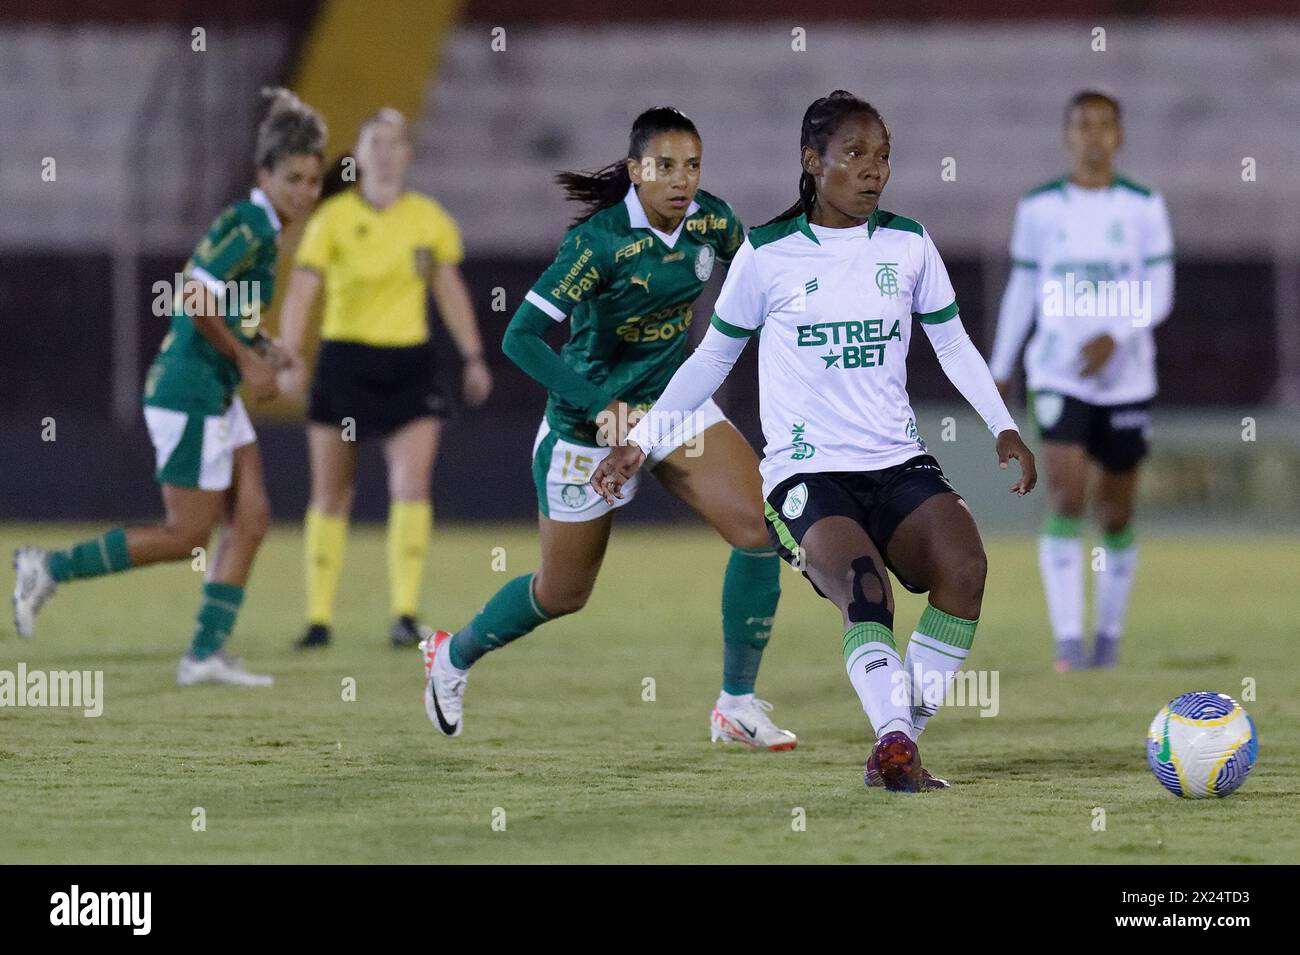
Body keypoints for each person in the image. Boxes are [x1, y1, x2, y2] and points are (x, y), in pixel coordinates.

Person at [592, 92, 1037, 791]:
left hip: (898, 462)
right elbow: (710, 359)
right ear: (811, 160)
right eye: (855, 154)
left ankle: (897, 741)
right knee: (867, 594)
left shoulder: (909, 243)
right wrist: (640, 442)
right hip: (806, 475)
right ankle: (897, 744)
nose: (873, 170)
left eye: (883, 155)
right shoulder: (767, 255)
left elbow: (950, 341)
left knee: (966, 568)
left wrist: (1002, 423)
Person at [421, 107, 794, 749]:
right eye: (665, 167)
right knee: (563, 592)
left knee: (762, 529)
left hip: (674, 410)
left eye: (693, 166)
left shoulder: (712, 222)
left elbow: (765, 273)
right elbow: (521, 338)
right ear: (634, 171)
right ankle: (452, 656)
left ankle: (735, 705)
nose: (683, 181)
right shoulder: (598, 243)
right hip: (586, 432)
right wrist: (600, 406)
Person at [12, 88, 327, 685]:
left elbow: (226, 307)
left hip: (215, 388)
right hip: (188, 392)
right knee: (186, 536)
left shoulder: (264, 226)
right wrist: (251, 362)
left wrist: (263, 346)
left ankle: (203, 655)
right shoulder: (250, 223)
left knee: (253, 516)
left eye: (313, 181)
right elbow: (194, 294)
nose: (306, 192)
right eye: (295, 179)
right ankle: (48, 567)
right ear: (265, 174)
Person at [276, 108, 493, 650]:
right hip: (344, 363)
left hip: (408, 365)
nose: (387, 153)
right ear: (360, 154)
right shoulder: (332, 219)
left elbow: (448, 287)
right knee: (332, 494)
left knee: (411, 485)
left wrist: (473, 354)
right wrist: (290, 355)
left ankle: (403, 612)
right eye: (376, 144)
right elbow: (303, 289)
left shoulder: (428, 219)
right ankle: (319, 618)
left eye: (396, 144)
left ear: (407, 155)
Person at [989, 90, 1174, 672]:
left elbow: (1161, 291)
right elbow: (1022, 289)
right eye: (1082, 125)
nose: (1093, 135)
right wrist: (1000, 364)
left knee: (1115, 514)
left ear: (1119, 136)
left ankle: (1108, 640)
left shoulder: (1144, 206)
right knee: (1067, 497)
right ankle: (1069, 642)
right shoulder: (1041, 207)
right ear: (1067, 134)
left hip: (1127, 380)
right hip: (1057, 372)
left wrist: (1116, 334)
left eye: (1104, 125)